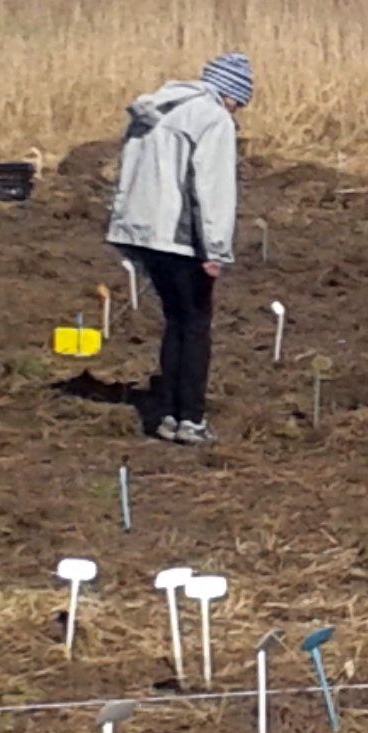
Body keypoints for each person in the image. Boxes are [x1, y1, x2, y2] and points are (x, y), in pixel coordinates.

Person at [106, 53, 250, 445]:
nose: (238, 110)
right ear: (229, 93)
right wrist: (215, 250)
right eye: (239, 102)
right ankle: (191, 419)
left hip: (145, 233)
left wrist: (123, 229)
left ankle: (168, 416)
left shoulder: (157, 109)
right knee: (196, 325)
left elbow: (130, 173)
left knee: (175, 321)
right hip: (183, 239)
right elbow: (213, 189)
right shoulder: (213, 118)